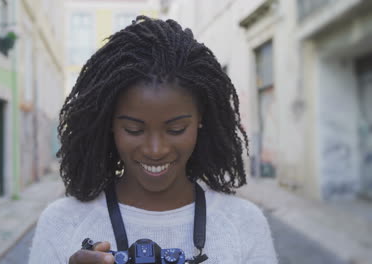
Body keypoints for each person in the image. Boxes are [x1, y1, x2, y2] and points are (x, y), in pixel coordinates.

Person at [29, 16, 277, 264]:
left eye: (176, 129)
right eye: (134, 129)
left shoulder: (245, 223)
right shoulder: (61, 223)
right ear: (110, 124)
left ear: (201, 119)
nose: (155, 150)